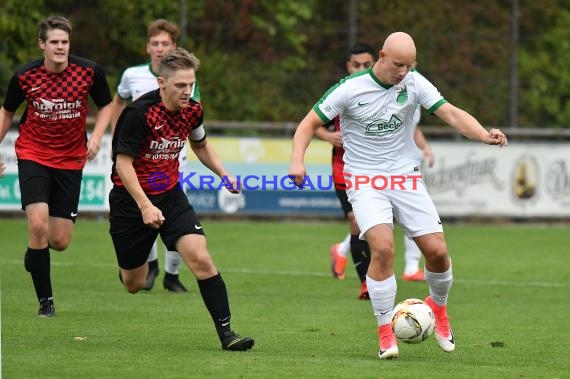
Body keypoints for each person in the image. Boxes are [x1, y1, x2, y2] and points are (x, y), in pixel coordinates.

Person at [289, 32, 507, 359]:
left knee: (437, 253)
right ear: (382, 56)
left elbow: (450, 112)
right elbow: (307, 124)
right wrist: (296, 161)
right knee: (383, 248)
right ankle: (384, 330)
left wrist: (484, 134)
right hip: (363, 180)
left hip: (405, 177)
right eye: (398, 65)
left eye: (409, 66)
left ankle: (440, 309)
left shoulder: (415, 82)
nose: (403, 72)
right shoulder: (349, 89)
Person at [109, 47, 254, 351]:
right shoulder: (138, 114)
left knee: (201, 258)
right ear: (161, 82)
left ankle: (228, 334)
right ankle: (128, 269)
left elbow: (200, 145)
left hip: (170, 194)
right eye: (180, 86)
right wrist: (145, 206)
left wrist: (224, 174)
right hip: (130, 200)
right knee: (134, 283)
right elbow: (123, 164)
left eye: (191, 84)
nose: (187, 91)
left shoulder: (193, 109)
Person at [0, 16, 113, 317]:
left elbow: (107, 105)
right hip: (33, 153)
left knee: (59, 241)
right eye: (54, 42)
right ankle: (46, 302)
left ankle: (34, 252)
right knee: (38, 224)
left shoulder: (88, 71)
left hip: (70, 159)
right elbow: (7, 111)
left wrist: (99, 136)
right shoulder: (25, 76)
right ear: (42, 44)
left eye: (64, 42)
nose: (60, 47)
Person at [315, 43, 433, 300]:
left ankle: (344, 251)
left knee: (384, 223)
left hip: (392, 171)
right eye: (356, 64)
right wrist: (329, 136)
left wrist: (424, 148)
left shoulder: (398, 87)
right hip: (347, 169)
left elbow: (408, 126)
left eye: (365, 63)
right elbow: (314, 124)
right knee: (359, 223)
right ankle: (366, 284)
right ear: (348, 65)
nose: (361, 68)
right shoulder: (346, 90)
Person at [110, 19, 196, 293]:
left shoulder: (185, 80)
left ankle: (172, 275)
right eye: (155, 44)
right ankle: (145, 266)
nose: (160, 49)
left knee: (177, 223)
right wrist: (117, 137)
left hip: (172, 162)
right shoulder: (132, 75)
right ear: (147, 47)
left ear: (173, 47)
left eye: (165, 44)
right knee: (145, 216)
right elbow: (118, 103)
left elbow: (193, 117)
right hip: (141, 161)